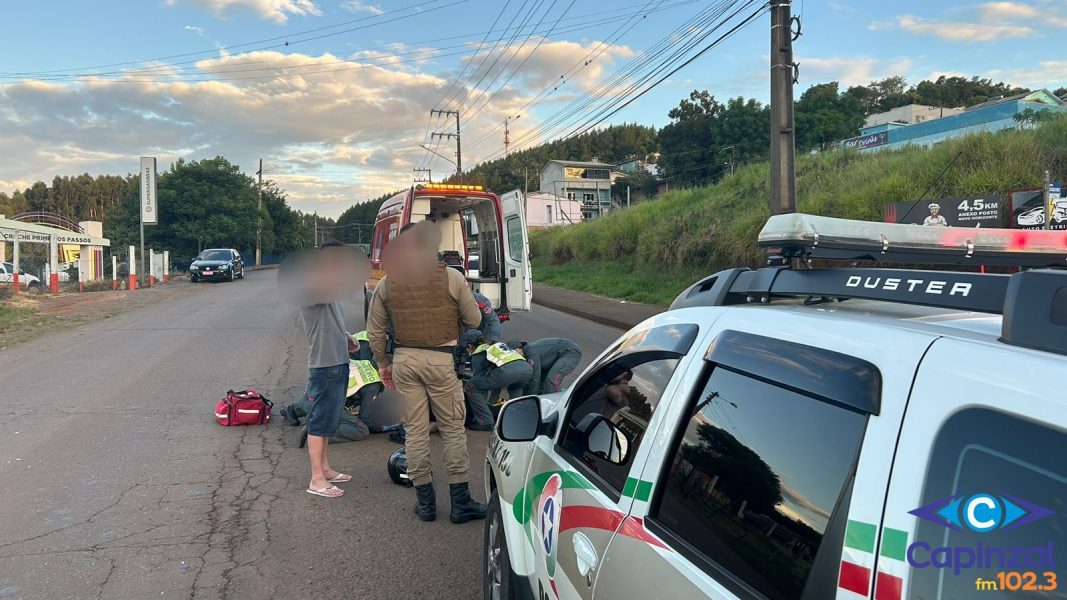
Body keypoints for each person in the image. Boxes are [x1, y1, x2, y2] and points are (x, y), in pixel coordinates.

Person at [366, 221, 487, 524]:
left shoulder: (387, 282)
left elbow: (375, 331)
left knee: (415, 433)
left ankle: (426, 505)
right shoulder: (451, 277)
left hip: (404, 361)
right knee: (453, 430)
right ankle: (460, 503)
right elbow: (474, 320)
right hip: (442, 361)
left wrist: (383, 363)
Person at [286, 241, 365, 498]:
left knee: (330, 420)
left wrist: (347, 337)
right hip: (324, 365)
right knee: (320, 422)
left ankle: (326, 469)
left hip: (338, 360)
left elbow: (330, 318)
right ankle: (316, 479)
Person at [461, 329, 534, 429]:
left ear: (469, 345)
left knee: (472, 386)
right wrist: (491, 402)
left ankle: (485, 421)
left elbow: (480, 384)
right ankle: (519, 421)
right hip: (526, 369)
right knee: (515, 391)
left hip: (508, 371)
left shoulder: (478, 353)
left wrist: (484, 405)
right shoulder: (494, 344)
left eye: (467, 347)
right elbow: (493, 382)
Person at [508, 338, 583, 395]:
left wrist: (530, 398)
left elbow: (535, 377)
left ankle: (556, 405)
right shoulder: (526, 352)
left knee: (552, 379)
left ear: (517, 350)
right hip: (554, 355)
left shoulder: (531, 354)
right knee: (542, 383)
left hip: (570, 352)